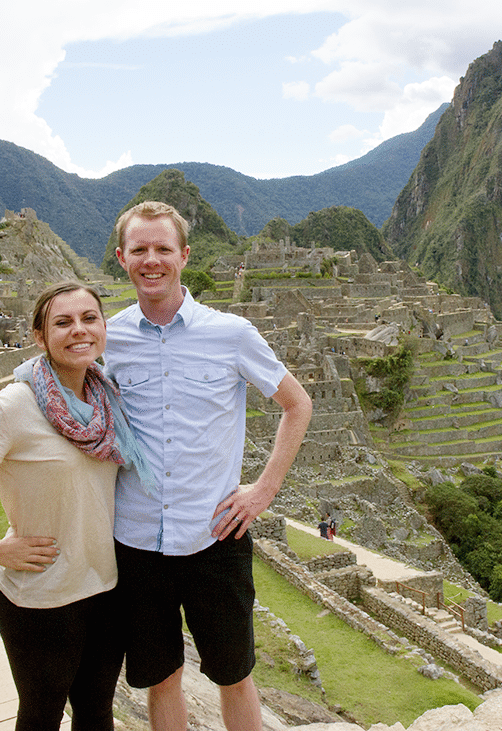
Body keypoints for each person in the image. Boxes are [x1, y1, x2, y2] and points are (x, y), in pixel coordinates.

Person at [104, 201, 313, 731]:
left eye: (163, 249)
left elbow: (297, 404)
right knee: (161, 677)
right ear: (122, 258)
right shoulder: (108, 338)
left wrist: (264, 491)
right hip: (135, 540)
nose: (152, 260)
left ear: (184, 256)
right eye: (140, 249)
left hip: (214, 536)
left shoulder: (231, 333)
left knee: (233, 673)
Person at [0, 281, 154, 731]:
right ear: (40, 337)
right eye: (62, 322)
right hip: (43, 600)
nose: (78, 330)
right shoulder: (14, 406)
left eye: (89, 319)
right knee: (41, 717)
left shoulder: (106, 398)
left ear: (104, 327)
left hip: (105, 590)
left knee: (96, 714)